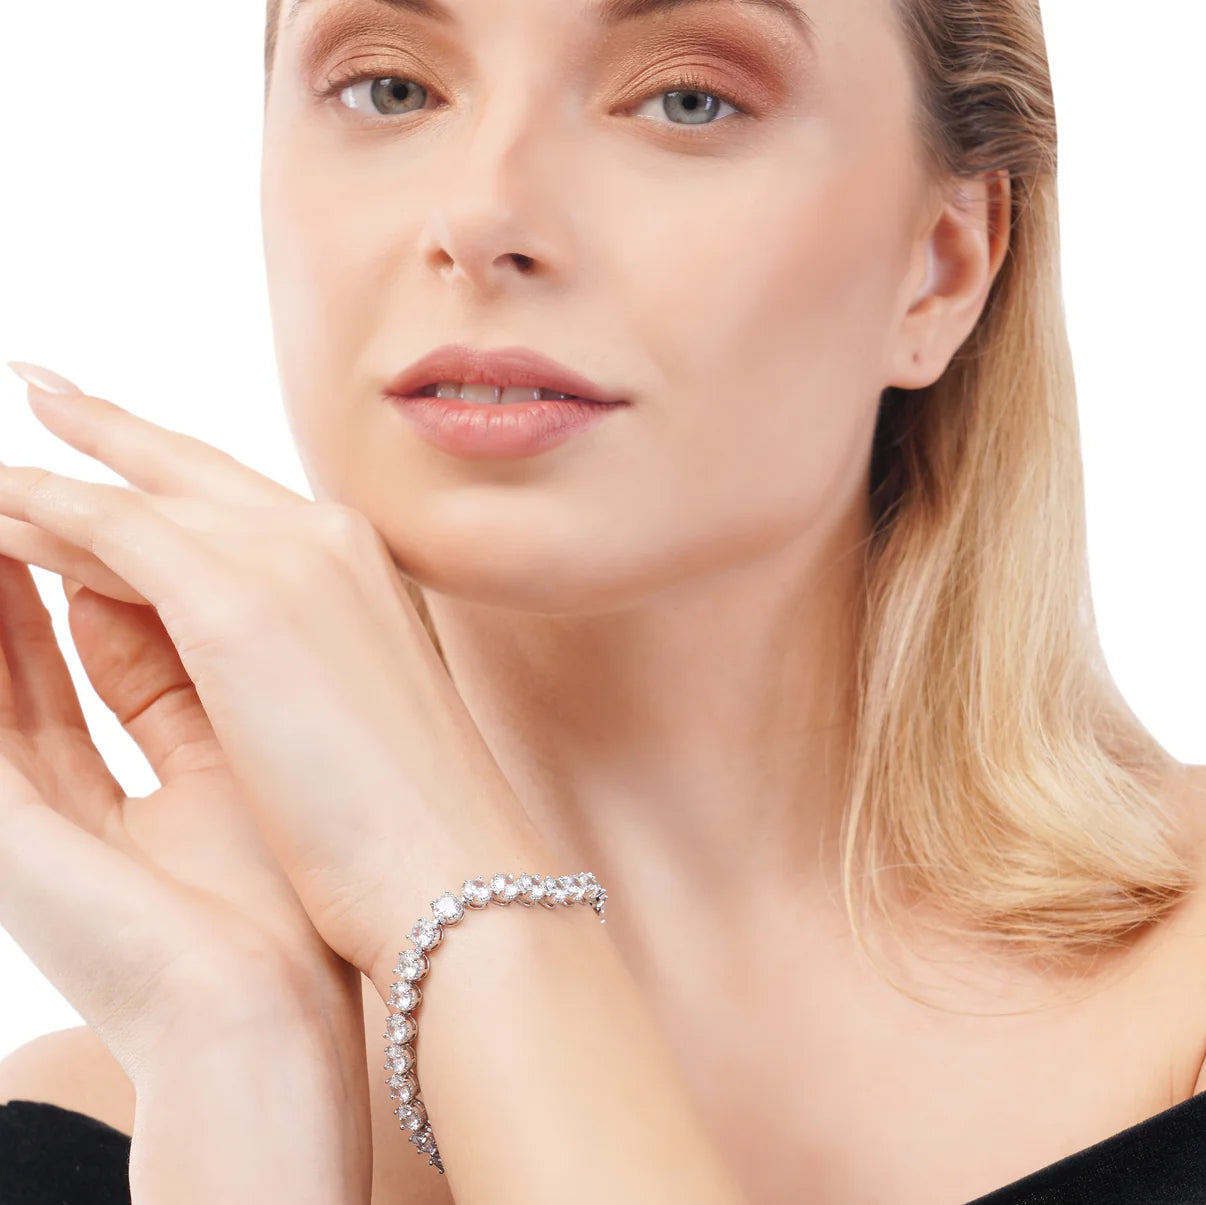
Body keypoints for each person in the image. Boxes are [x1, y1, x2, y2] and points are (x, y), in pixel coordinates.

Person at [2, 0, 1206, 1202]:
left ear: (940, 266)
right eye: (391, 87)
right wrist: (244, 1083)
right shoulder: (113, 1116)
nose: (481, 215)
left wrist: (452, 880)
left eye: (690, 99)